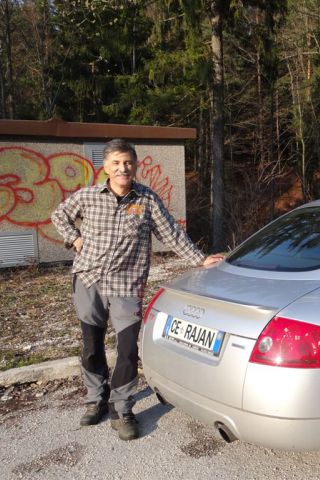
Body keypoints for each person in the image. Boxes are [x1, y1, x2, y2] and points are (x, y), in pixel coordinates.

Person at [51, 138, 223, 441]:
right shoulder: (89, 197)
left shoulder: (147, 200)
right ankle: (96, 399)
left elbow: (171, 233)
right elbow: (59, 215)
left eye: (128, 162)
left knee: (129, 348)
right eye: (116, 163)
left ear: (135, 165)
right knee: (92, 345)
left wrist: (201, 259)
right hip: (88, 280)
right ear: (105, 167)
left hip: (127, 285)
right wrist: (74, 239)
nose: (123, 168)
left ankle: (122, 408)